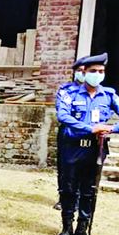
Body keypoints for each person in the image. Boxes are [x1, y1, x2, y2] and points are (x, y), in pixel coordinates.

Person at [55, 53, 119, 235]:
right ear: (84, 73)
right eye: (93, 71)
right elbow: (63, 116)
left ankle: (83, 230)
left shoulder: (109, 95)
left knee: (89, 190)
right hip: (72, 147)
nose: (97, 74)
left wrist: (112, 128)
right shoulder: (69, 94)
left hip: (95, 150)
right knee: (69, 188)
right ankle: (66, 228)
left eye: (101, 71)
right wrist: (90, 128)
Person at [53, 57, 87, 210]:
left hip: (87, 137)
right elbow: (62, 113)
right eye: (79, 71)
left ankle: (79, 199)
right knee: (65, 167)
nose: (82, 74)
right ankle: (64, 197)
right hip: (68, 134)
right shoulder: (66, 90)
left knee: (84, 169)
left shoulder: (95, 93)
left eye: (85, 71)